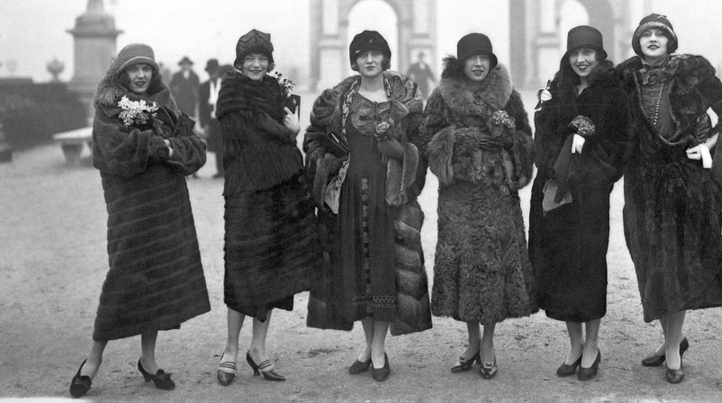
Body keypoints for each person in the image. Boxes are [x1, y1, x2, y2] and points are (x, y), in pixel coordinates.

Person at [617, 15, 722, 385]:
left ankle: (671, 353)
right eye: (645, 34)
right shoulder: (624, 78)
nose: (652, 39)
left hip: (686, 182)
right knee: (650, 263)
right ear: (637, 42)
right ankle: (674, 339)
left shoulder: (692, 73)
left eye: (659, 34)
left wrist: (711, 142)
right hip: (642, 185)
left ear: (670, 41)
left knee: (676, 267)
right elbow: (599, 117)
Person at [69, 43, 210, 398]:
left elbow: (195, 148)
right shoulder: (108, 110)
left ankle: (148, 359)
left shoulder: (167, 104)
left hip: (167, 206)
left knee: (158, 278)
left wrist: (165, 148)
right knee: (124, 277)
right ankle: (93, 361)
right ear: (122, 74)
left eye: (146, 69)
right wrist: (159, 145)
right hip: (131, 208)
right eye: (134, 70)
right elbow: (114, 152)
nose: (141, 76)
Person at [304, 30, 431, 382]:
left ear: (385, 58)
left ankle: (378, 350)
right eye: (362, 54)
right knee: (357, 270)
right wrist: (327, 168)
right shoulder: (338, 99)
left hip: (388, 195)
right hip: (348, 194)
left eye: (376, 53)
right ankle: (367, 344)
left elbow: (422, 144)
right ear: (355, 61)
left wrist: (402, 157)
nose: (370, 59)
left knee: (385, 268)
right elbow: (314, 140)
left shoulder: (405, 99)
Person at [421, 32, 536, 380]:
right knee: (465, 269)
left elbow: (526, 141)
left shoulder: (509, 96)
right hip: (458, 200)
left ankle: (488, 343)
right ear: (460, 62)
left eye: (484, 58)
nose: (478, 63)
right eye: (471, 58)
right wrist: (466, 139)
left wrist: (509, 141)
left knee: (492, 268)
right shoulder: (441, 99)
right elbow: (429, 141)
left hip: (498, 197)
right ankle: (472, 341)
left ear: (491, 61)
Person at [214, 29, 319, 386]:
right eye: (250, 59)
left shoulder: (276, 92)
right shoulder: (230, 94)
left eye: (262, 59)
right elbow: (249, 135)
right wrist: (288, 132)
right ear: (240, 63)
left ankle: (258, 349)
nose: (256, 64)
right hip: (246, 190)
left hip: (279, 189)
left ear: (269, 63)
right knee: (242, 267)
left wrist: (292, 131)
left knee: (274, 267)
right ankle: (230, 349)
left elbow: (279, 132)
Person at [528, 26, 630, 382]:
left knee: (588, 265)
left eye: (588, 52)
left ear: (600, 55)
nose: (581, 59)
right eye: (575, 53)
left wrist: (595, 171)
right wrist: (551, 160)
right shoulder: (558, 88)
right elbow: (540, 133)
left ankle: (592, 345)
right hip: (556, 191)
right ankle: (573, 345)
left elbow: (620, 143)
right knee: (560, 268)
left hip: (589, 194)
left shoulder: (613, 92)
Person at [199, 58, 225, 178]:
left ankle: (226, 170)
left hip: (224, 119)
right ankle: (220, 171)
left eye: (214, 71)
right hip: (212, 121)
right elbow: (201, 106)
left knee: (225, 145)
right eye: (210, 71)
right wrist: (204, 123)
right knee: (216, 145)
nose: (212, 73)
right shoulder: (204, 86)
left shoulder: (225, 85)